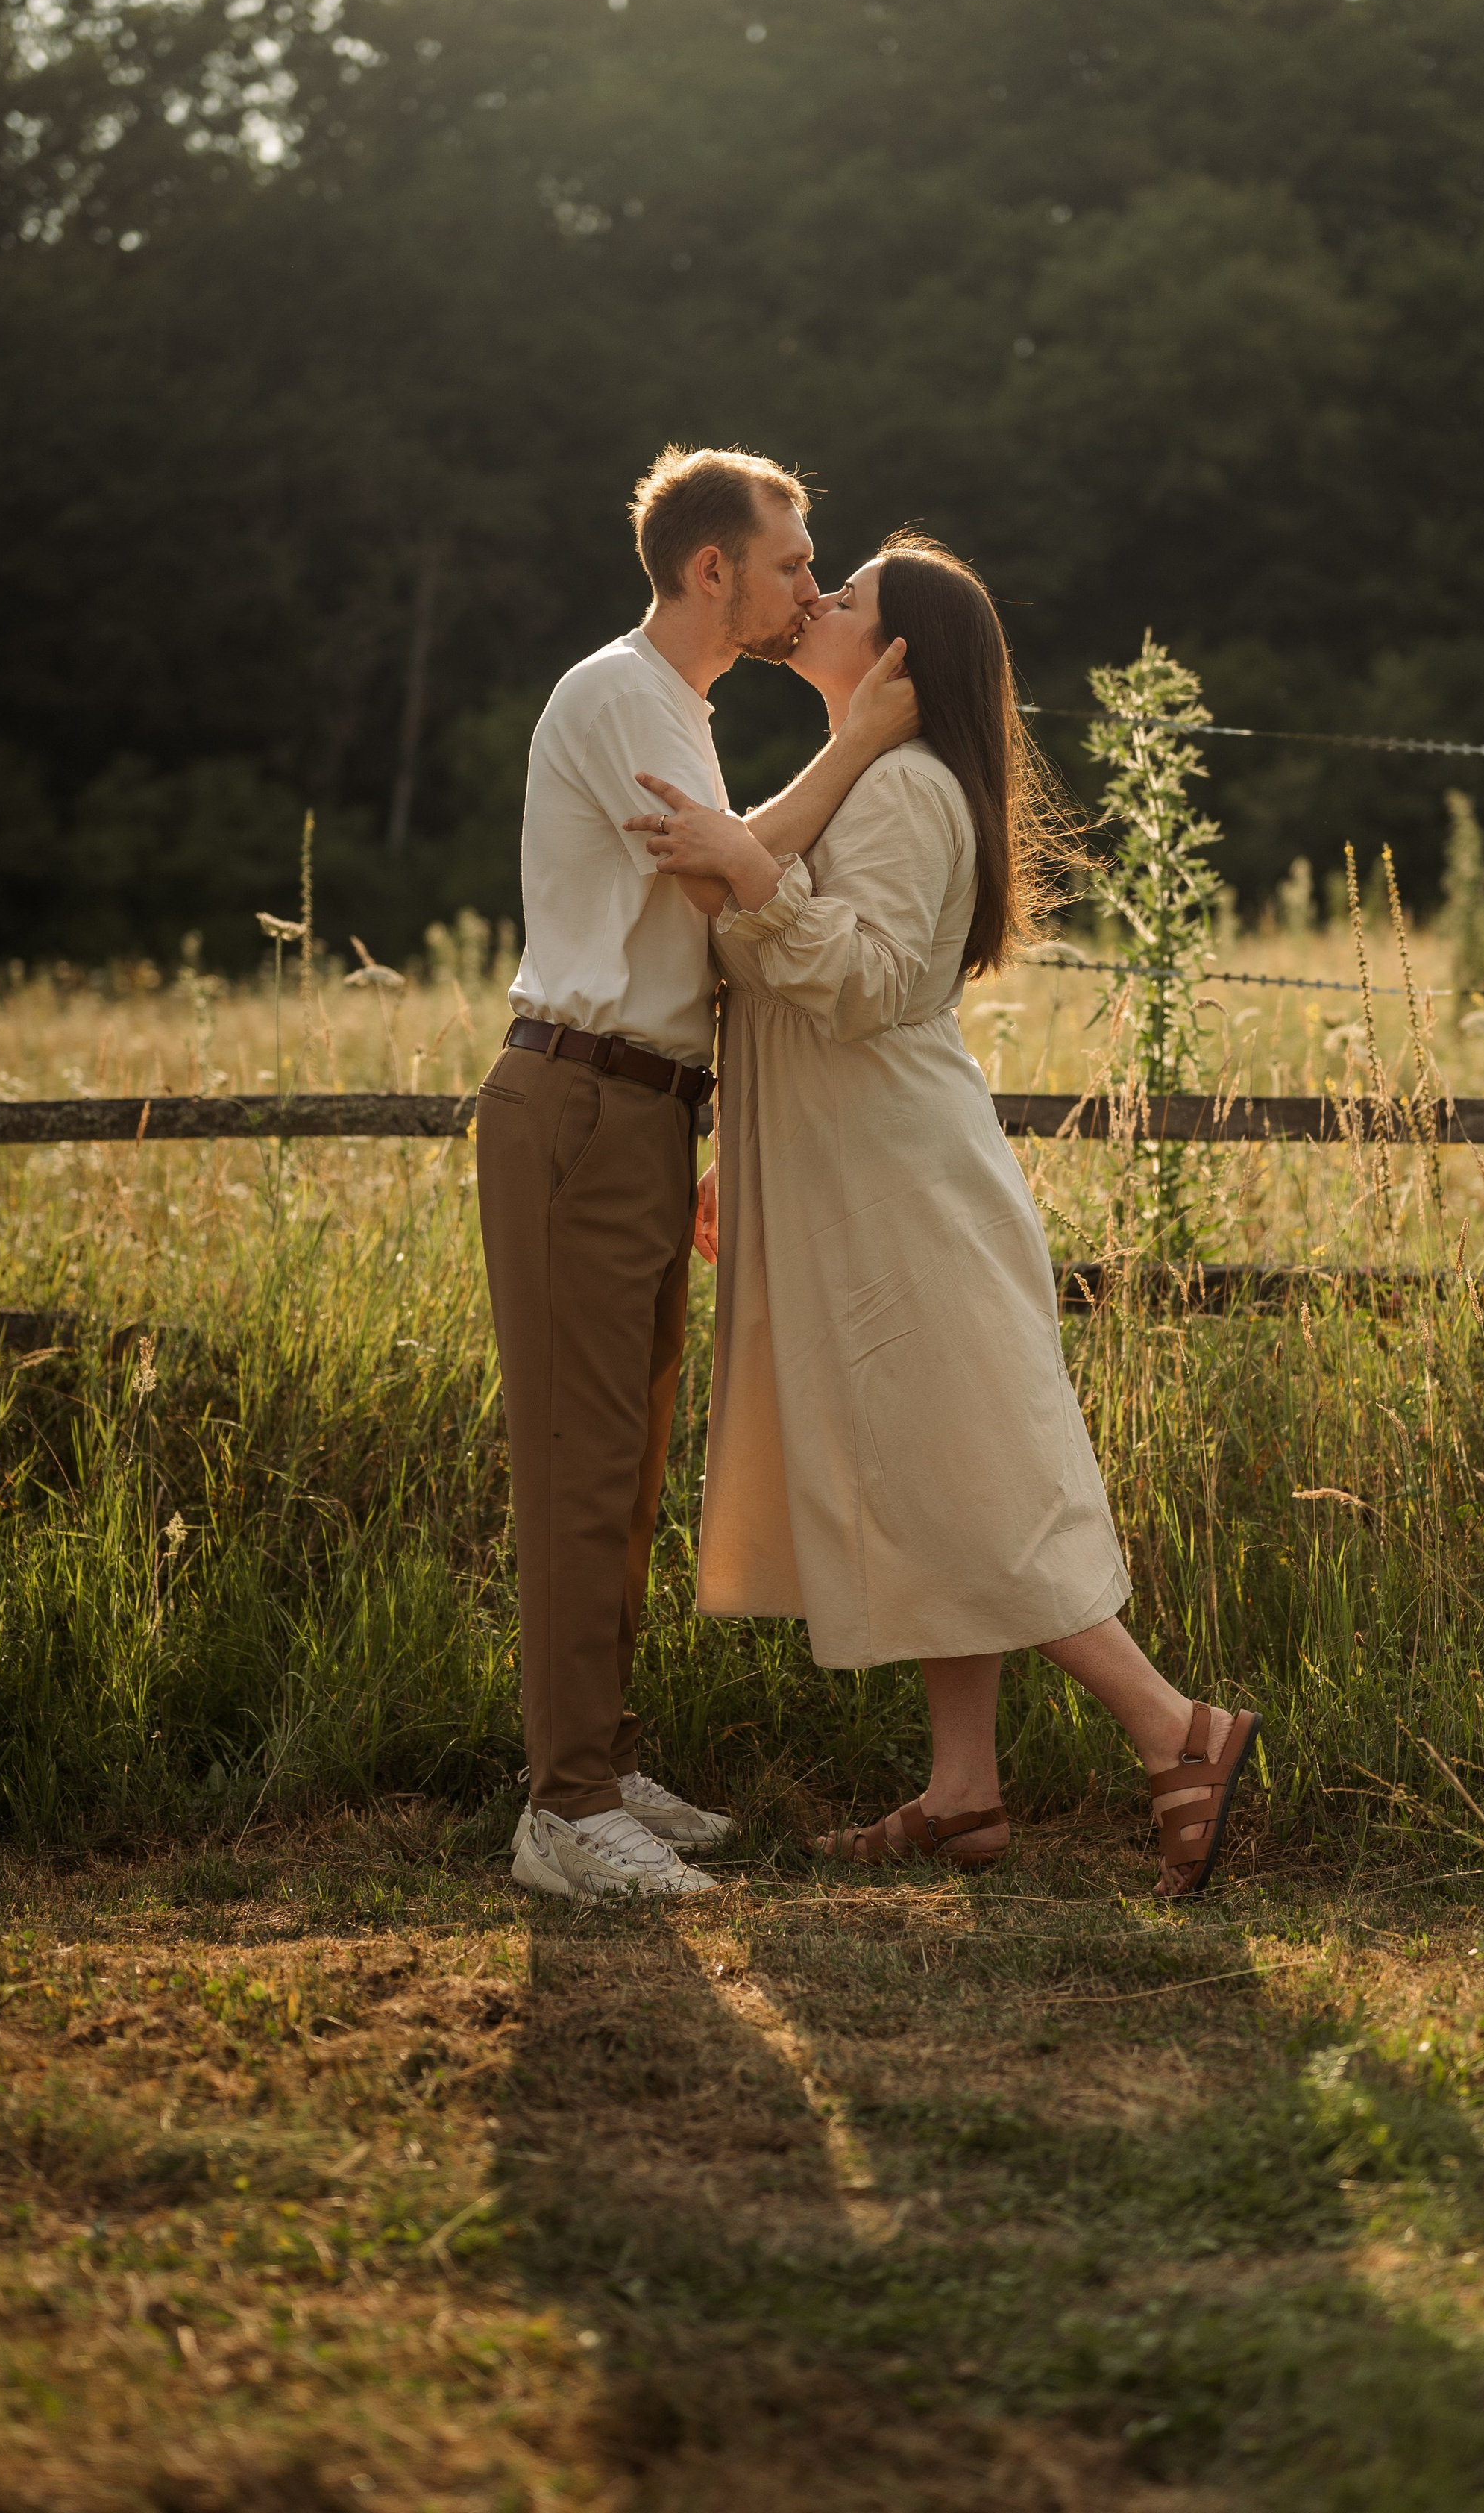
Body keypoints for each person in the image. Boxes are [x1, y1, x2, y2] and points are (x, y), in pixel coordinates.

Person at [627, 534, 1260, 1889]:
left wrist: (750, 879)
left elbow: (866, 985)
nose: (816, 601)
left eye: (842, 595)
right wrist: (750, 1150)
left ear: (902, 656)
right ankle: (964, 1795)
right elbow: (801, 1001)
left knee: (971, 1480)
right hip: (847, 1172)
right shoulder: (858, 783)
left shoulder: (906, 790)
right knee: (922, 1472)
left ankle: (1178, 1729)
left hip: (904, 1185)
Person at [480, 448, 918, 1902]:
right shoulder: (617, 693)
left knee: (625, 1462)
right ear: (711, 568)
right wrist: (854, 746)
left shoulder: (682, 708)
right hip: (579, 1106)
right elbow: (725, 881)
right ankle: (562, 1808)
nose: (810, 583)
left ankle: (595, 1763)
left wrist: (708, 1131)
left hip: (647, 1111)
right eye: (793, 560)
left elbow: (716, 915)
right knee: (577, 1467)